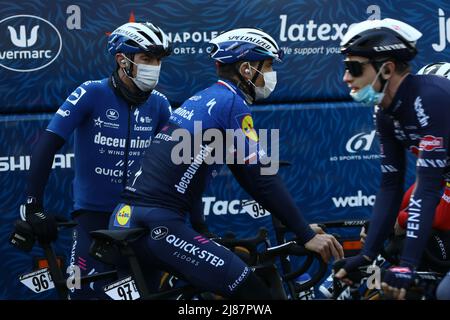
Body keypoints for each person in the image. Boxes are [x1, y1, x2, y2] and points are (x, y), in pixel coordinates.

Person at [109, 27, 344, 299]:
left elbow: (237, 173)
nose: (271, 74)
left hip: (127, 221)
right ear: (246, 69)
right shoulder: (231, 103)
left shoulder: (207, 98)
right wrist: (305, 234)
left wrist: (201, 230)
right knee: (257, 296)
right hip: (157, 226)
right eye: (267, 65)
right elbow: (261, 177)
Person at [20, 22, 173, 299]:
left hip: (140, 219)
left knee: (149, 294)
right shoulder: (92, 92)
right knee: (82, 295)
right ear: (121, 60)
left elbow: (173, 163)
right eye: (147, 59)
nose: (155, 67)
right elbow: (47, 144)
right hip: (94, 219)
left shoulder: (160, 103)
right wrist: (33, 207)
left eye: (158, 60)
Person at [334, 18, 450, 300]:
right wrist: (365, 257)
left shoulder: (432, 99)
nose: (346, 78)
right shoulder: (385, 112)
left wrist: (407, 266)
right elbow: (390, 186)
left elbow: (429, 188)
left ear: (386, 69)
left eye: (354, 68)